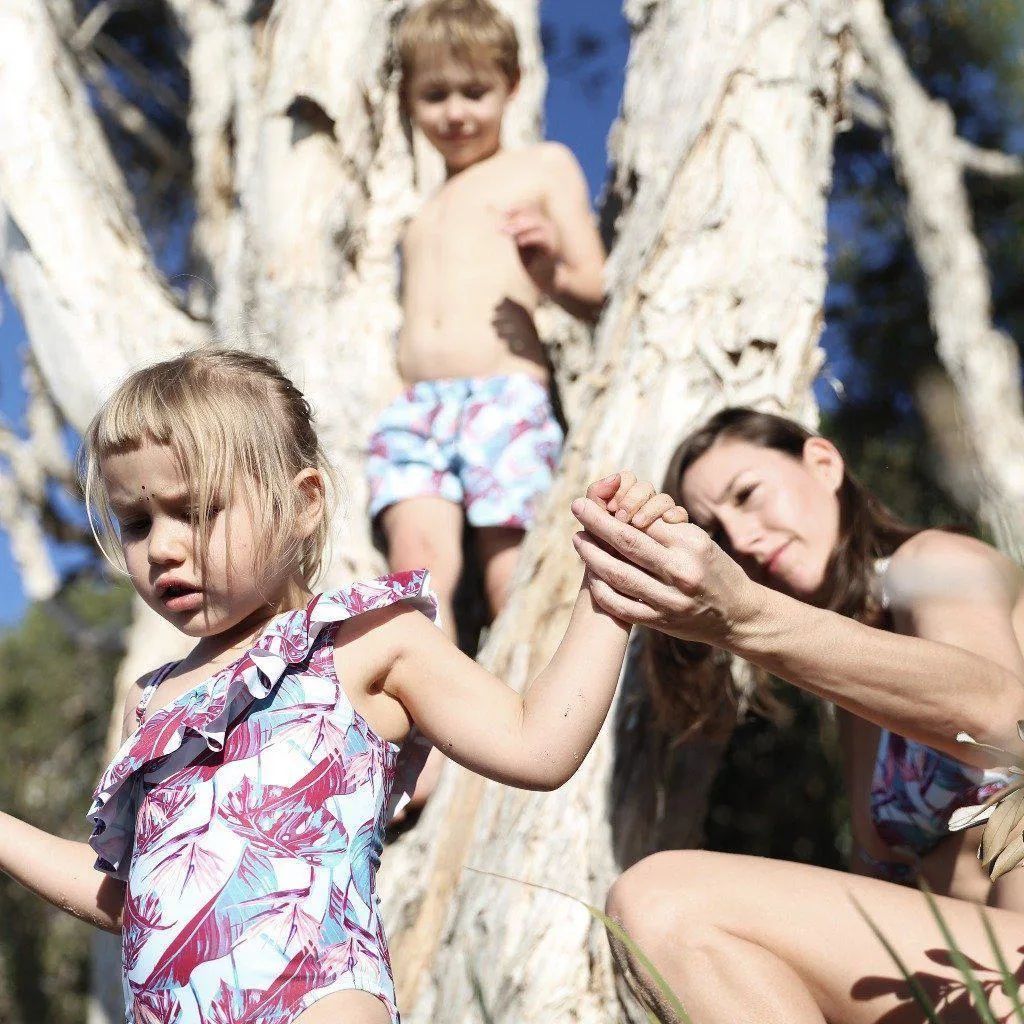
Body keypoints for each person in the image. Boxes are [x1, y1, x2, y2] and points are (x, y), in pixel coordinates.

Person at [0, 349, 676, 1024]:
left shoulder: (361, 640)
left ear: (303, 505)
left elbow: (538, 744)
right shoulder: (152, 701)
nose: (164, 549)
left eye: (200, 510)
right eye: (139, 523)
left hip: (317, 1002)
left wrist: (609, 593)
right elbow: (132, 893)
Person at [568, 408, 1024, 1023]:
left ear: (824, 464)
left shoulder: (926, 564)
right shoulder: (856, 689)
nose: (745, 540)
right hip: (962, 979)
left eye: (749, 494)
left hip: (1004, 965)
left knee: (664, 902)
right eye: (719, 534)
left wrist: (743, 615)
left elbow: (999, 715)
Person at [368, 0, 605, 814]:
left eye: (475, 90)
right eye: (435, 96)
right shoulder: (417, 210)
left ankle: (547, 719)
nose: (457, 111)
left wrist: (547, 263)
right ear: (409, 105)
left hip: (504, 393)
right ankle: (424, 744)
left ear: (511, 87)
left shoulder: (541, 166)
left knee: (512, 573)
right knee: (418, 570)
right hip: (417, 406)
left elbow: (597, 288)